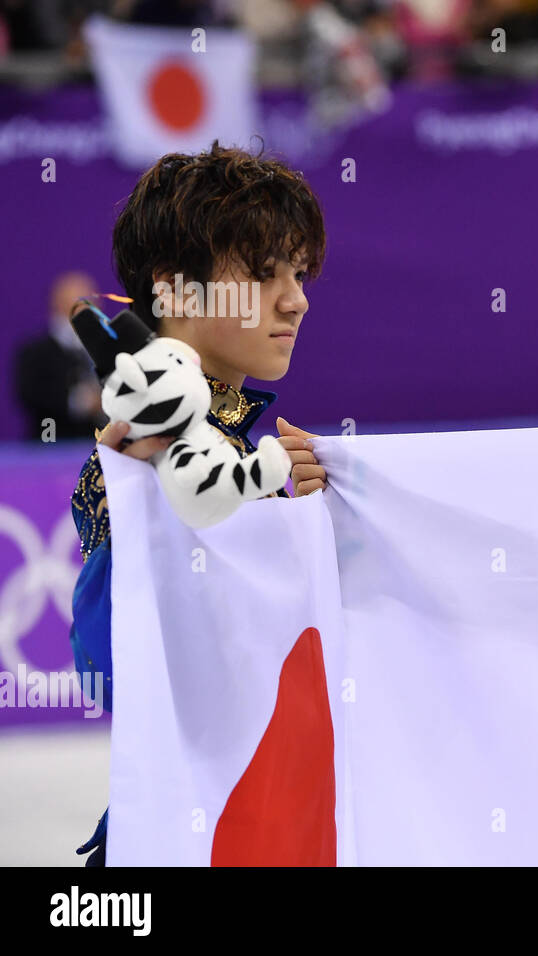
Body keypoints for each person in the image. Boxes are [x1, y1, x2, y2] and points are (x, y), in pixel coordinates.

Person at [68, 141, 329, 866]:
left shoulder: (252, 454)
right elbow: (106, 663)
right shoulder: (135, 457)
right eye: (264, 273)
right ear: (177, 290)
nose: (296, 298)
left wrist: (319, 534)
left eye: (299, 272)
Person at [13, 271, 107, 442]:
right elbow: (31, 394)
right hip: (53, 444)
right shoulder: (36, 353)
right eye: (78, 302)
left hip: (99, 446)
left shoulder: (108, 349)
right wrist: (81, 401)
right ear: (58, 305)